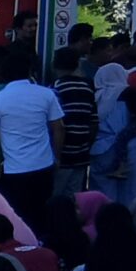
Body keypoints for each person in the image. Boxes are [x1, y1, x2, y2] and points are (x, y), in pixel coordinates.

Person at [0, 45, 63, 226]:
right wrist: (56, 157)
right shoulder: (46, 94)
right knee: (42, 214)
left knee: (17, 216)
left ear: (3, 74)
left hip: (13, 169)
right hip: (43, 164)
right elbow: (58, 128)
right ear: (29, 71)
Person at [50, 47, 101, 199]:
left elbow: (56, 125)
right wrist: (86, 144)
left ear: (55, 65)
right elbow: (94, 122)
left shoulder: (56, 88)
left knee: (56, 198)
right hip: (81, 154)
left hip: (62, 155)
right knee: (74, 199)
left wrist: (55, 155)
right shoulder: (87, 87)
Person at [90, 87, 136, 206]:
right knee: (133, 196)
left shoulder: (96, 97)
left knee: (104, 200)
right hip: (135, 146)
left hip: (101, 150)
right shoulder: (131, 94)